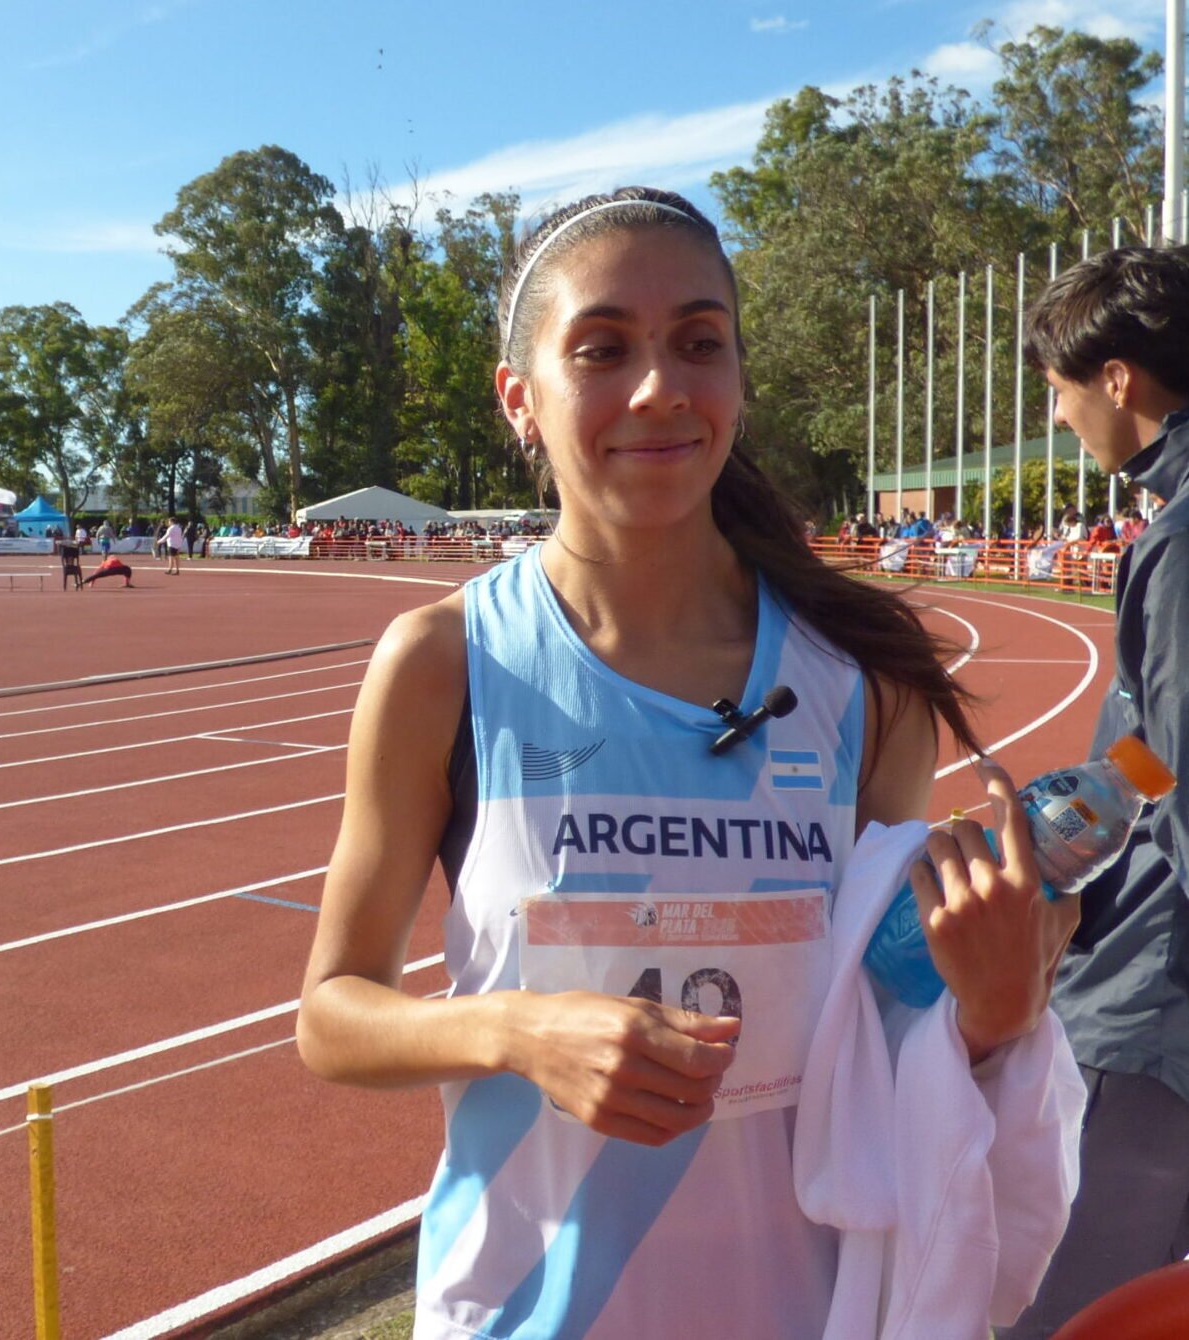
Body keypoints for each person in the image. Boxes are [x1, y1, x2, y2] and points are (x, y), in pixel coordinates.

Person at [297, 188, 1081, 1339]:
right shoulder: (444, 661)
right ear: (521, 398)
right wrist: (517, 1028)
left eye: (698, 342)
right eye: (602, 348)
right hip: (526, 1310)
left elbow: (878, 1016)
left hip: (801, 1308)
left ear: (738, 379)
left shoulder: (862, 675)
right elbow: (332, 1013)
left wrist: (997, 1010)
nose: (658, 386)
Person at [999, 245, 1189, 1339]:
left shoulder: (1179, 542)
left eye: (1060, 389)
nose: (1060, 414)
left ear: (1117, 377)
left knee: (1063, 1315)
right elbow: (1167, 749)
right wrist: (1097, 799)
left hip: (1149, 1005)